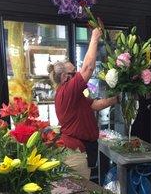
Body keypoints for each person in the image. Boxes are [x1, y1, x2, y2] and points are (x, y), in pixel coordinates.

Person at [48, 27, 117, 179]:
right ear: (65, 76)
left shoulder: (76, 93)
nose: (78, 74)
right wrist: (94, 37)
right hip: (75, 152)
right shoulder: (66, 91)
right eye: (74, 72)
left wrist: (116, 99)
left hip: (85, 148)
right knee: (79, 193)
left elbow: (94, 105)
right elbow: (88, 68)